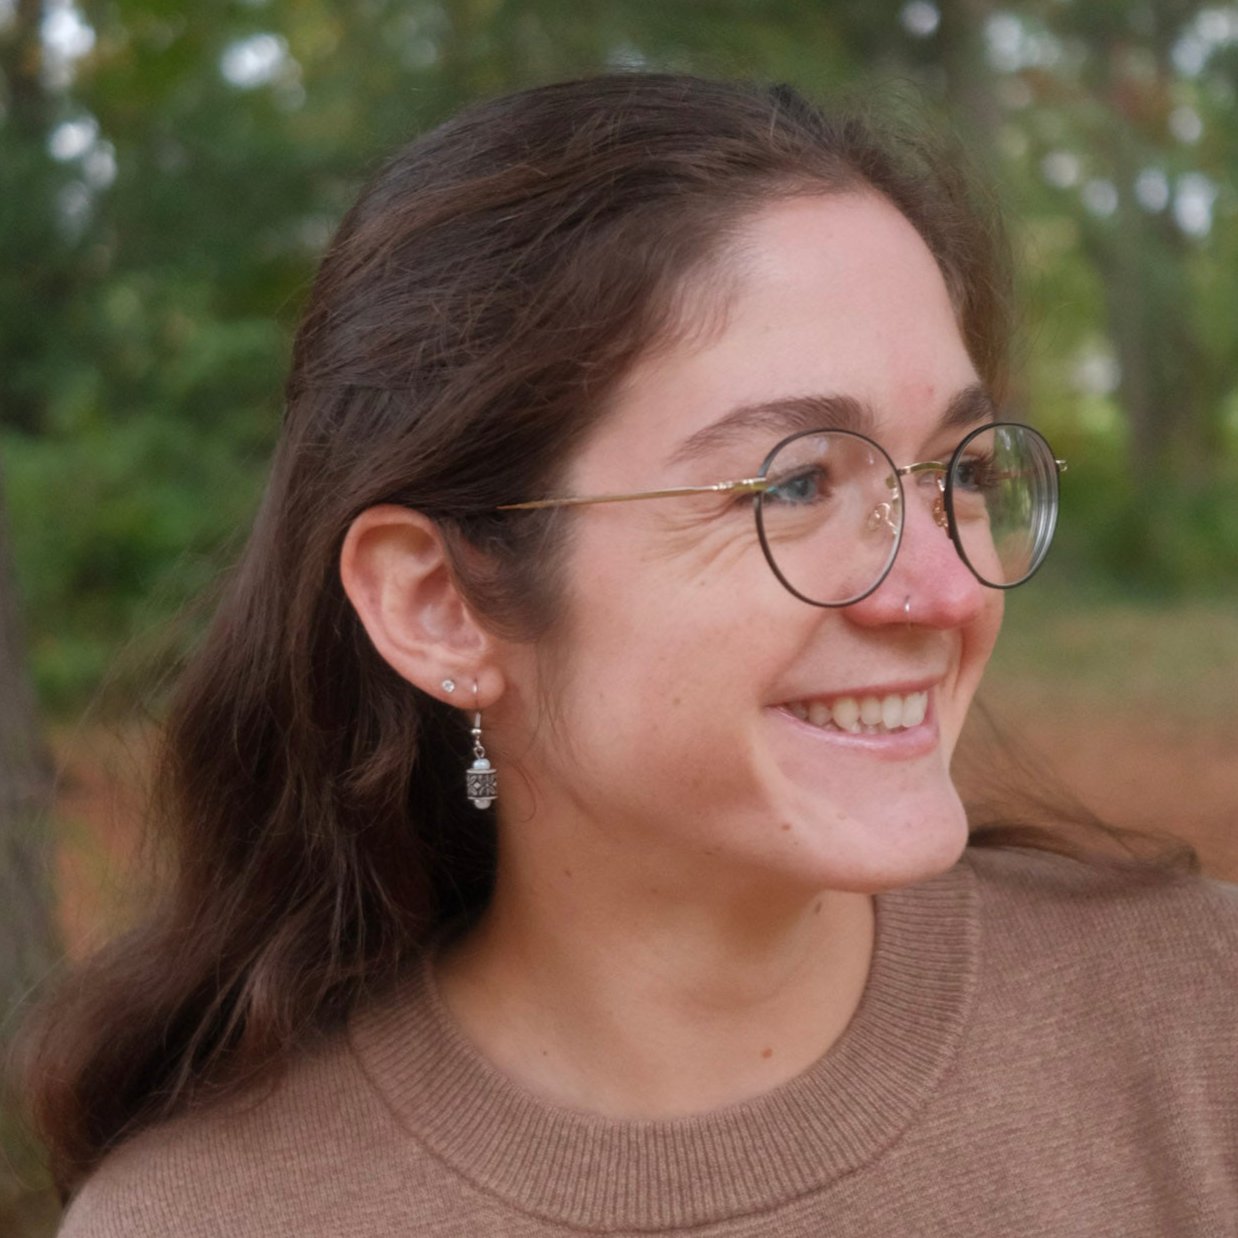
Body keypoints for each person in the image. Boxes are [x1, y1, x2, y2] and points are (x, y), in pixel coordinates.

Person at [24, 73, 1237, 1236]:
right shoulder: (207, 1219)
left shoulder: (1197, 1025)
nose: (946, 582)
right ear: (439, 602)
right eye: (799, 481)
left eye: (959, 472)